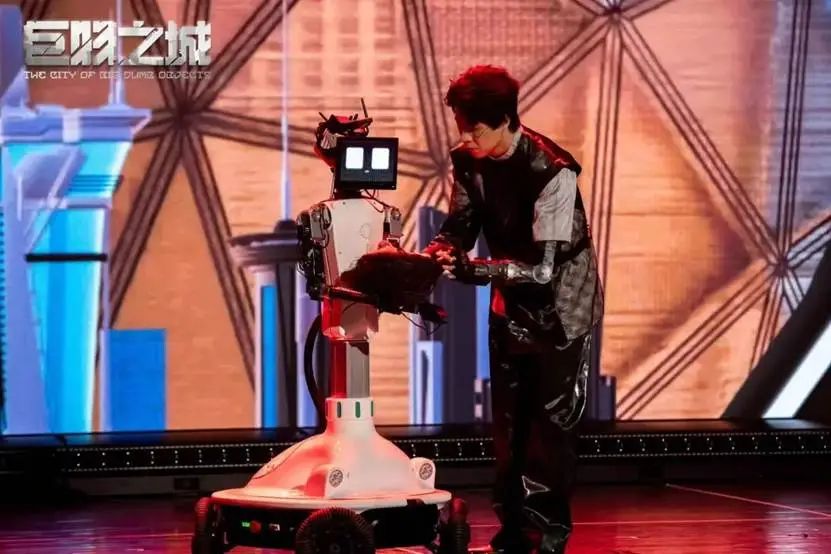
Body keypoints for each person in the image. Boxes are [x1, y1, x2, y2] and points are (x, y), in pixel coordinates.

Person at [423, 65, 604, 553]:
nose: (467, 138)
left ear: (505, 120)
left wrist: (476, 270)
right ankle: (511, 535)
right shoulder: (470, 160)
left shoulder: (552, 171)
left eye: (476, 129)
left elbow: (544, 270)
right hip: (510, 306)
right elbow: (460, 224)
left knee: (549, 431)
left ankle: (544, 539)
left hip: (561, 310)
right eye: (462, 127)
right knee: (507, 429)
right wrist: (438, 253)